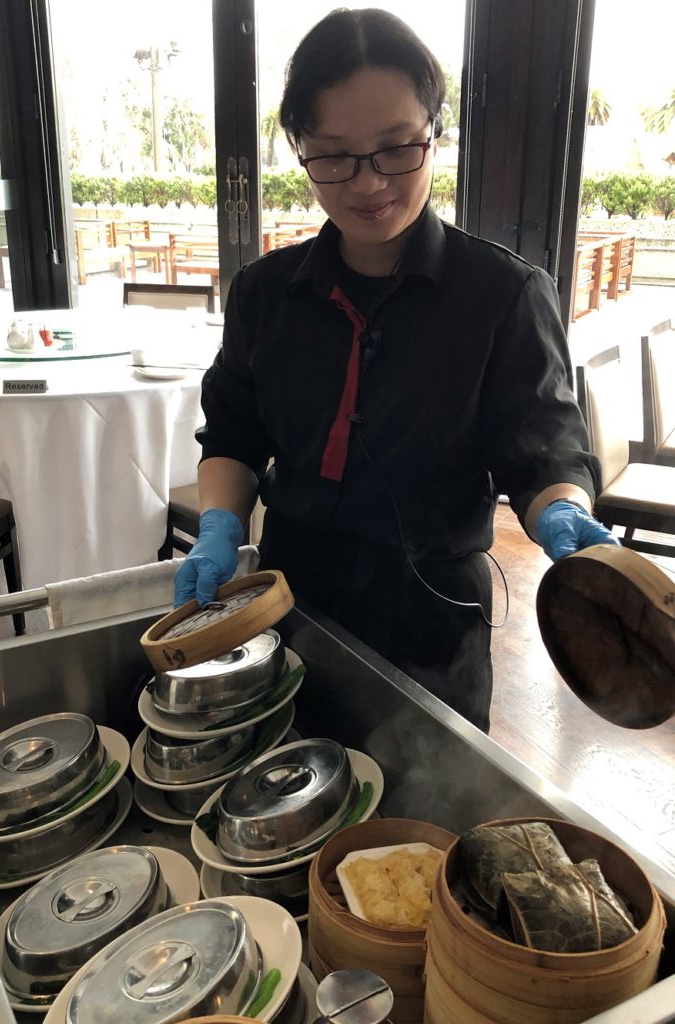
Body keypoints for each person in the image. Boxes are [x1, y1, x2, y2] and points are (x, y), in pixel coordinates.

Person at [173, 7, 618, 732]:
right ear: (298, 147)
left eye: (394, 149)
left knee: (422, 826)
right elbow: (232, 434)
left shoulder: (502, 295)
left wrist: (562, 510)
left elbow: (541, 452)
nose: (367, 182)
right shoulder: (264, 292)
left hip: (432, 625)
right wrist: (221, 523)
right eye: (334, 155)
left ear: (434, 134)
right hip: (289, 605)